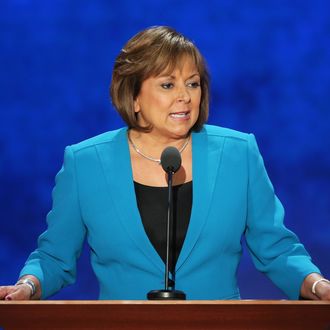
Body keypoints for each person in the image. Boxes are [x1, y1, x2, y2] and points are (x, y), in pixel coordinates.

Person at [0, 26, 329, 301]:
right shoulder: (85, 163)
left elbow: (276, 247)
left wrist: (316, 284)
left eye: (193, 83)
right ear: (134, 96)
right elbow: (55, 256)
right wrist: (28, 286)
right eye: (168, 84)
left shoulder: (238, 153)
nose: (185, 96)